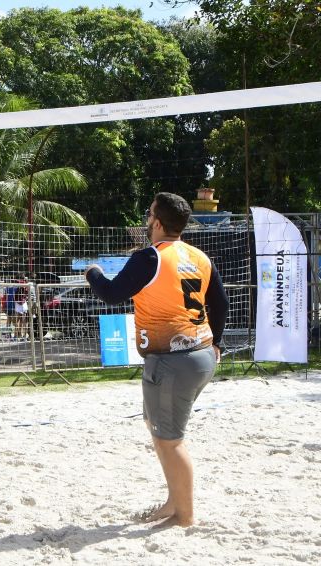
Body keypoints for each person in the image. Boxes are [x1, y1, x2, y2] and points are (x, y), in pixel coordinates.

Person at [85, 192, 228, 528]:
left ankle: (184, 515)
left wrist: (93, 273)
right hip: (200, 355)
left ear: (158, 222)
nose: (147, 220)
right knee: (158, 428)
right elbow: (220, 304)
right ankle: (174, 501)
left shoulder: (150, 257)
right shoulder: (199, 257)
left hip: (172, 362)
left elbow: (110, 293)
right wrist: (217, 343)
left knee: (170, 439)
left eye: (149, 215)